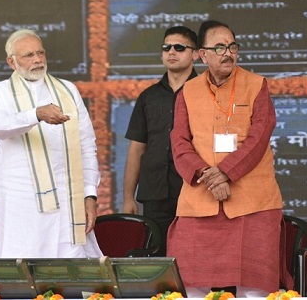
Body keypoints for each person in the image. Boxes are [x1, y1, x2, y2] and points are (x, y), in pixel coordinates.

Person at [168, 20, 285, 297]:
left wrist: (225, 173)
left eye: (232, 46)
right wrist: (208, 176)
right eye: (219, 47)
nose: (228, 53)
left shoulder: (256, 85)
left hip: (252, 202)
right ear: (202, 54)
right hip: (200, 200)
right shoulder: (187, 91)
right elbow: (179, 142)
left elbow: (259, 139)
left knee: (255, 288)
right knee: (192, 286)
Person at [0, 29, 102, 258]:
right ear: (11, 62)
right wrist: (36, 114)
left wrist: (90, 194)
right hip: (20, 205)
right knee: (23, 273)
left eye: (40, 52)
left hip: (67, 202)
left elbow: (87, 145)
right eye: (28, 55)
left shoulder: (68, 90)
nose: (37, 59)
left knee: (70, 277)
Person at [122, 25, 198, 256]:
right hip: (154, 193)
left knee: (193, 257)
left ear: (195, 54)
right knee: (157, 259)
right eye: (166, 47)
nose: (171, 52)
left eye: (179, 47)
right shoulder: (148, 96)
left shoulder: (206, 93)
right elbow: (136, 150)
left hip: (193, 190)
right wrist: (128, 198)